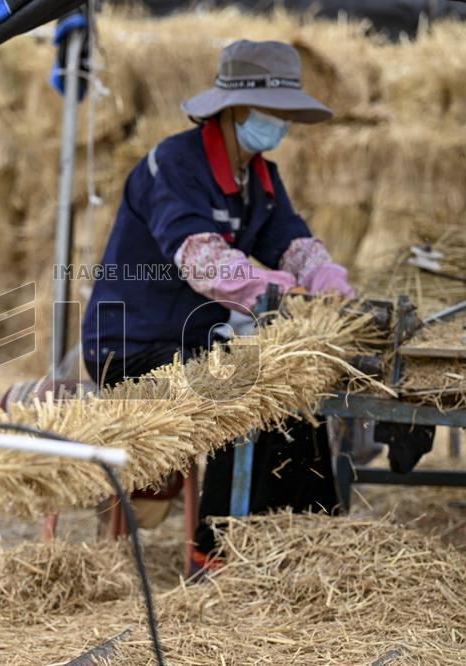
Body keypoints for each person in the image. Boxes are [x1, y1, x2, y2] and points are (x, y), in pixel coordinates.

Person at [80, 40, 355, 574]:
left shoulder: (260, 177)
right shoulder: (174, 165)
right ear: (236, 109)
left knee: (299, 384)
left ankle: (305, 543)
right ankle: (222, 555)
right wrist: (277, 290)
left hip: (197, 340)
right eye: (272, 110)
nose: (280, 122)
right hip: (131, 347)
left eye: (285, 112)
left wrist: (327, 280)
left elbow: (292, 242)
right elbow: (202, 261)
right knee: (247, 386)